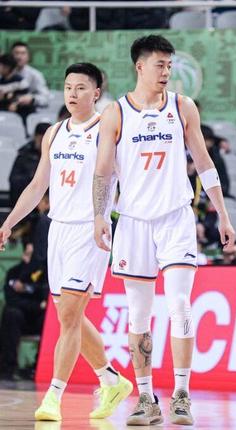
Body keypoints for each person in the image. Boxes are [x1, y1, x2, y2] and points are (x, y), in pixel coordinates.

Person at [93, 35, 236, 426]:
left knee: (180, 305)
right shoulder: (116, 113)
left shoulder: (182, 106)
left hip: (175, 218)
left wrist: (223, 214)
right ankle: (145, 398)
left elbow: (204, 162)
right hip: (134, 222)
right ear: (140, 66)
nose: (167, 72)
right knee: (139, 314)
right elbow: (103, 172)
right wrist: (99, 216)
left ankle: (182, 395)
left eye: (170, 66)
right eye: (160, 65)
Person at [0, 62, 133, 421]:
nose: (73, 94)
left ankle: (52, 397)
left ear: (96, 93)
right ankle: (111, 380)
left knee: (71, 314)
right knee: (68, 316)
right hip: (57, 229)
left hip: (90, 230)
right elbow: (37, 185)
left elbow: (121, 180)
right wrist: (9, 222)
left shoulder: (108, 130)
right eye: (68, 87)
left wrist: (109, 218)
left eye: (81, 88)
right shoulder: (54, 132)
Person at [0, 242, 47, 381]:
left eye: (32, 256)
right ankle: (8, 368)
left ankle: (38, 367)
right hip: (20, 319)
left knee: (50, 318)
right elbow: (11, 299)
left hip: (38, 319)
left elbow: (46, 298)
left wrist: (37, 303)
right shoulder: (14, 272)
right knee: (11, 313)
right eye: (27, 254)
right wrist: (37, 305)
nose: (28, 259)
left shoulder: (44, 273)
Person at [9, 122, 50, 206]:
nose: (44, 144)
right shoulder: (24, 154)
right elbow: (14, 180)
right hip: (29, 199)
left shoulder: (57, 155)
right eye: (41, 139)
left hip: (51, 199)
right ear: (36, 137)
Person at [11, 42, 50, 112]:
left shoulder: (35, 75)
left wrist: (32, 99)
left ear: (28, 57)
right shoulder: (3, 74)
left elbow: (45, 99)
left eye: (23, 53)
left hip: (28, 112)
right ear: (11, 56)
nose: (19, 57)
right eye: (16, 53)